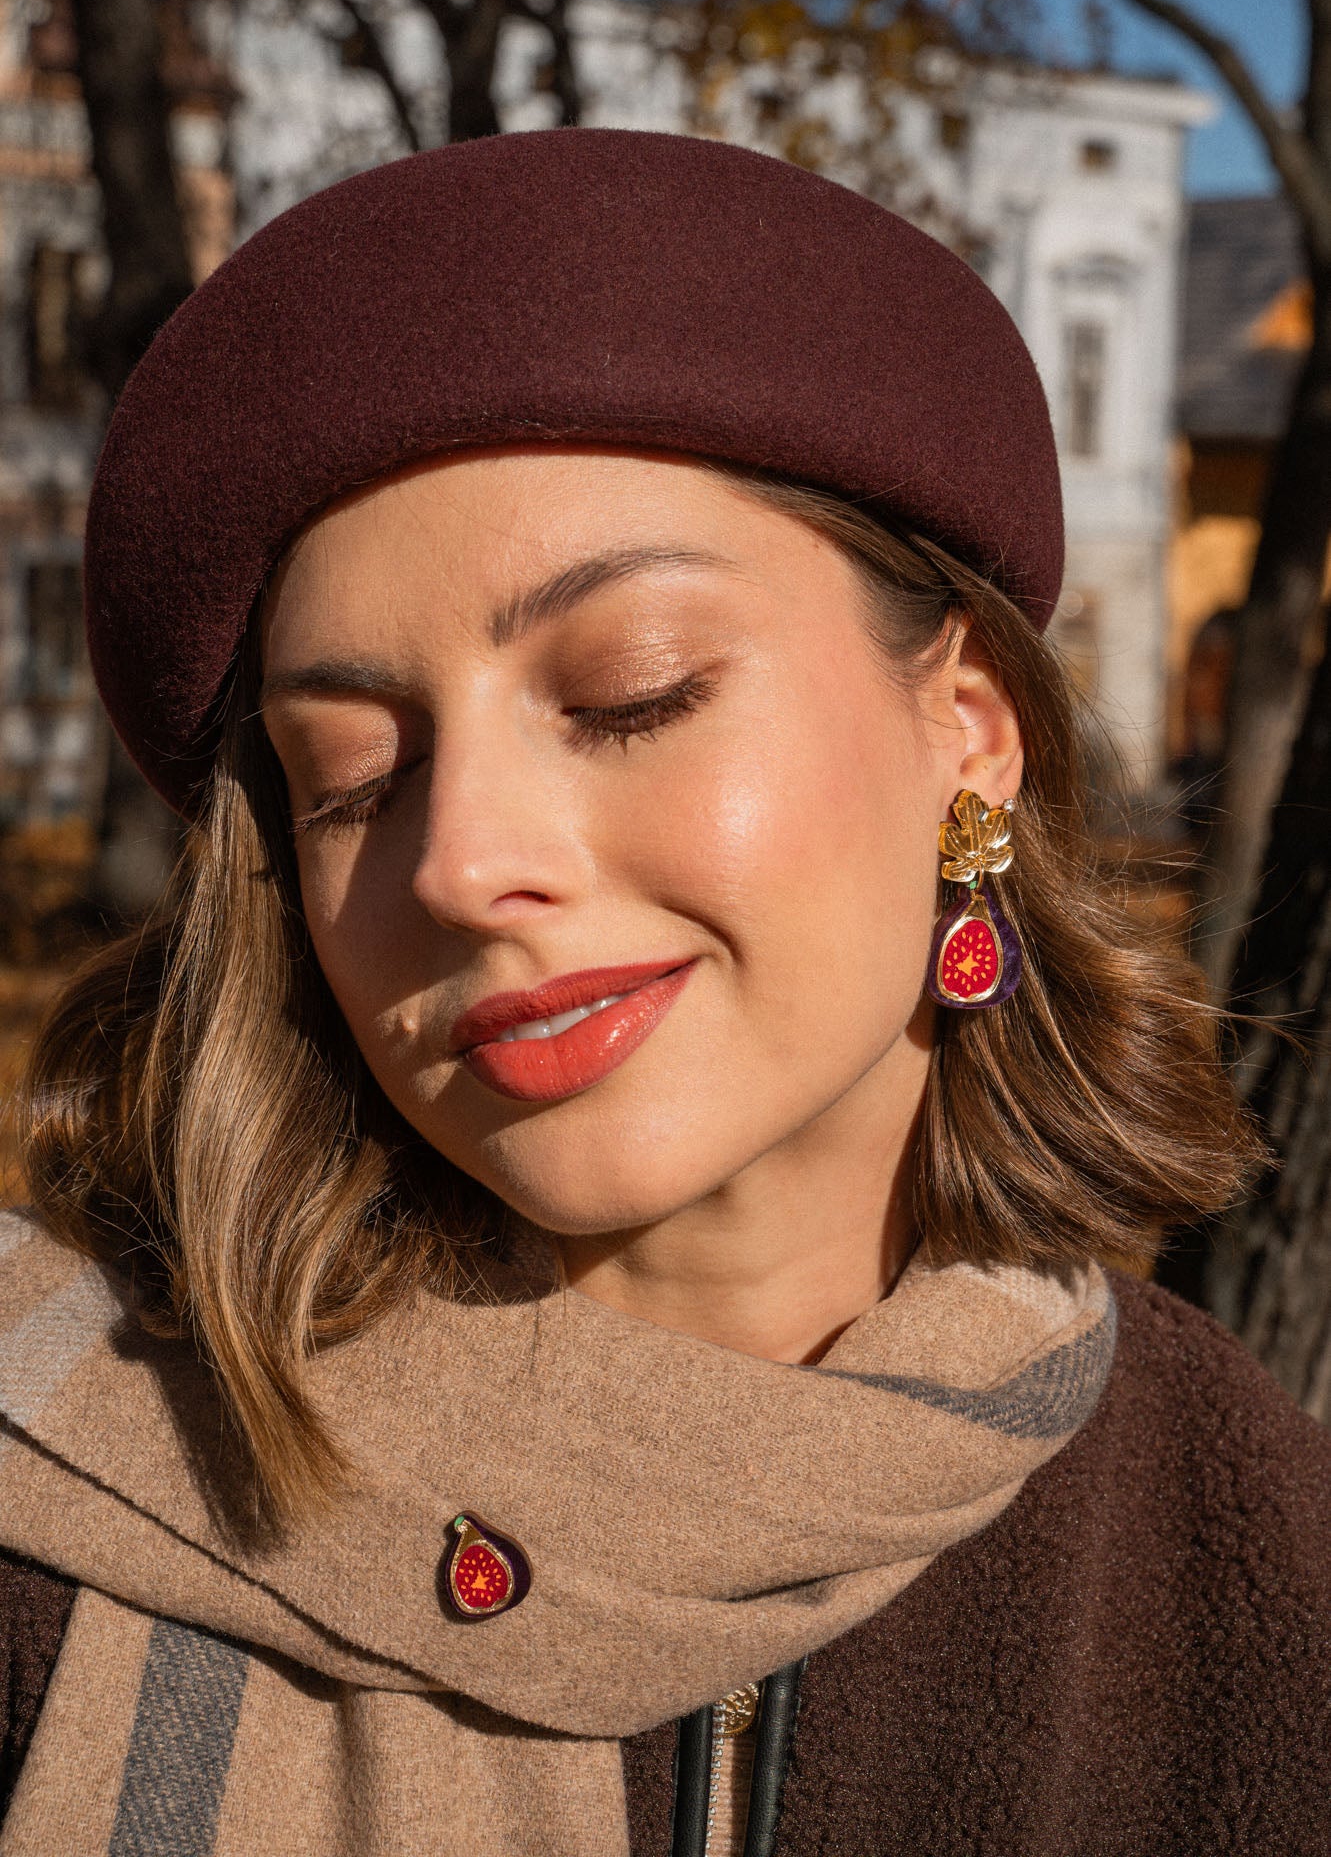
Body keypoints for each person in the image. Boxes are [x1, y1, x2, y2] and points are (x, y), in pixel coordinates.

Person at [0, 128, 1327, 1857]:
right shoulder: (49, 1512)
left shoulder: (1261, 1579)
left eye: (632, 693)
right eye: (347, 780)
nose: (459, 864)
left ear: (971, 734)